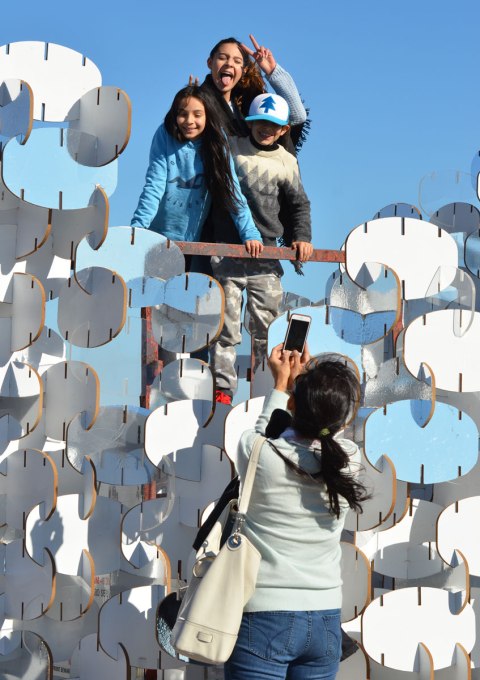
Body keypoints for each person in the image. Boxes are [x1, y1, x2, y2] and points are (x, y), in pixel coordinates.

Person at [224, 344, 369, 680]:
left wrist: (282, 383)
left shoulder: (258, 453)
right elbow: (328, 429)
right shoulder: (349, 460)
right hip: (325, 618)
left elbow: (263, 436)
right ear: (343, 417)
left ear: (292, 405)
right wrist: (307, 391)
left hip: (264, 616)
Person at [210, 93, 313, 404]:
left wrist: (302, 237)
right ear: (250, 124)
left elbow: (299, 205)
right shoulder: (233, 149)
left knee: (267, 325)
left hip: (267, 254)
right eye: (260, 123)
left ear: (283, 130)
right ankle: (223, 391)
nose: (266, 129)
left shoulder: (286, 161)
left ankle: (267, 388)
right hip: (228, 250)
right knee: (225, 325)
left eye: (274, 125)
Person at [130, 85, 263, 256]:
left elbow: (232, 190)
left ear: (208, 116)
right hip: (155, 236)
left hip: (190, 240)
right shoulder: (164, 135)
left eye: (197, 115)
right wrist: (137, 228)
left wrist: (250, 234)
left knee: (183, 281)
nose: (189, 121)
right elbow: (154, 185)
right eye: (182, 114)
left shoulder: (217, 141)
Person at [201, 34, 308, 153]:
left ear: (244, 70)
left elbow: (297, 117)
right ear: (210, 62)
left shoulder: (251, 105)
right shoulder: (197, 102)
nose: (229, 63)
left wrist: (273, 72)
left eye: (237, 61)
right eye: (222, 57)